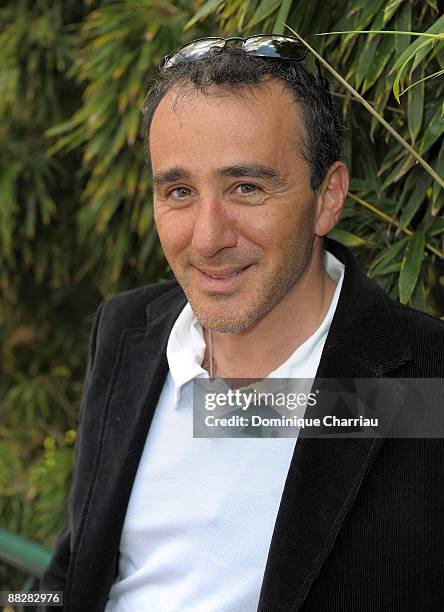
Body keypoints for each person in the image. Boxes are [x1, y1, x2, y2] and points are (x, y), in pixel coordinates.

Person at [38, 36, 444, 611]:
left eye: (247, 188)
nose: (208, 238)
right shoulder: (127, 331)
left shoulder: (427, 387)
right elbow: (73, 574)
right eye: (179, 191)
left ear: (327, 196)